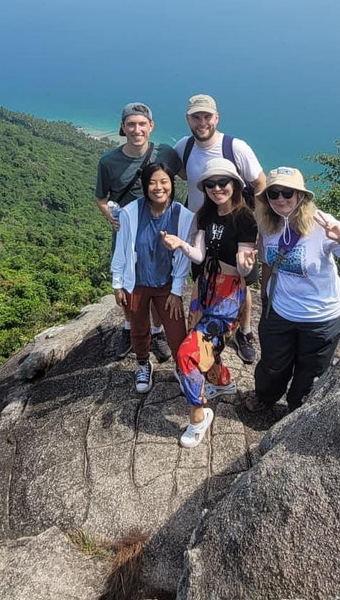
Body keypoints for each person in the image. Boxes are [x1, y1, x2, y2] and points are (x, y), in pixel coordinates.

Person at [245, 167, 340, 414]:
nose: (281, 199)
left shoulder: (323, 224)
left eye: (287, 193)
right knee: (272, 365)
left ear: (301, 196)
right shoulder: (267, 224)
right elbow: (269, 262)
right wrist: (264, 294)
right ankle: (266, 397)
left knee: (310, 372)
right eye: (274, 194)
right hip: (280, 310)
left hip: (321, 316)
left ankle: (296, 411)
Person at [160, 157, 259, 448]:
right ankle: (221, 381)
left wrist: (245, 263)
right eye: (211, 184)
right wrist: (181, 245)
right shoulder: (204, 215)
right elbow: (200, 256)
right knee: (206, 344)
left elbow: (243, 266)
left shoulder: (245, 219)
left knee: (189, 354)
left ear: (235, 185)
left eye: (223, 183)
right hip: (204, 288)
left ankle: (198, 416)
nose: (217, 188)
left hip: (228, 295)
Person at [172, 95, 266, 365]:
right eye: (196, 117)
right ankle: (204, 329)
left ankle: (244, 332)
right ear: (188, 119)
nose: (202, 122)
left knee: (242, 281)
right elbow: (181, 174)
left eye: (207, 116)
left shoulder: (234, 147)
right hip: (201, 226)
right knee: (202, 277)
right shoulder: (184, 147)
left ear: (217, 118)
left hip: (236, 226)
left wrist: (257, 225)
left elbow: (259, 183)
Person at [95, 102, 182, 360]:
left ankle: (156, 331)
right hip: (127, 233)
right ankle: (129, 327)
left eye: (142, 124)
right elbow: (101, 197)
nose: (137, 129)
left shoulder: (165, 153)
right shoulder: (109, 162)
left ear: (151, 126)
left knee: (157, 280)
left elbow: (189, 174)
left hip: (159, 231)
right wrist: (110, 217)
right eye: (131, 124)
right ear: (122, 127)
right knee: (126, 281)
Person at [111, 162, 194, 394]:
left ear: (172, 184)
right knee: (138, 328)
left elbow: (183, 258)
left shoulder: (183, 216)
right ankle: (142, 363)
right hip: (136, 283)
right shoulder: (130, 212)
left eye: (164, 182)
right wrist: (117, 284)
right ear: (145, 186)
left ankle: (181, 367)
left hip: (166, 284)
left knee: (177, 332)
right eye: (152, 182)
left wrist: (177, 291)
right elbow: (121, 249)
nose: (158, 187)